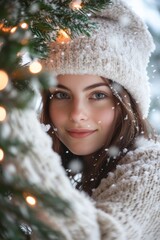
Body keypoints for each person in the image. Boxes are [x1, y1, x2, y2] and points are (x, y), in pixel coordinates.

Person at [10, 0, 160, 239]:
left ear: (126, 104)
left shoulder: (153, 168)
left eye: (98, 95)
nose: (77, 113)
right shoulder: (56, 166)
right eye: (61, 94)